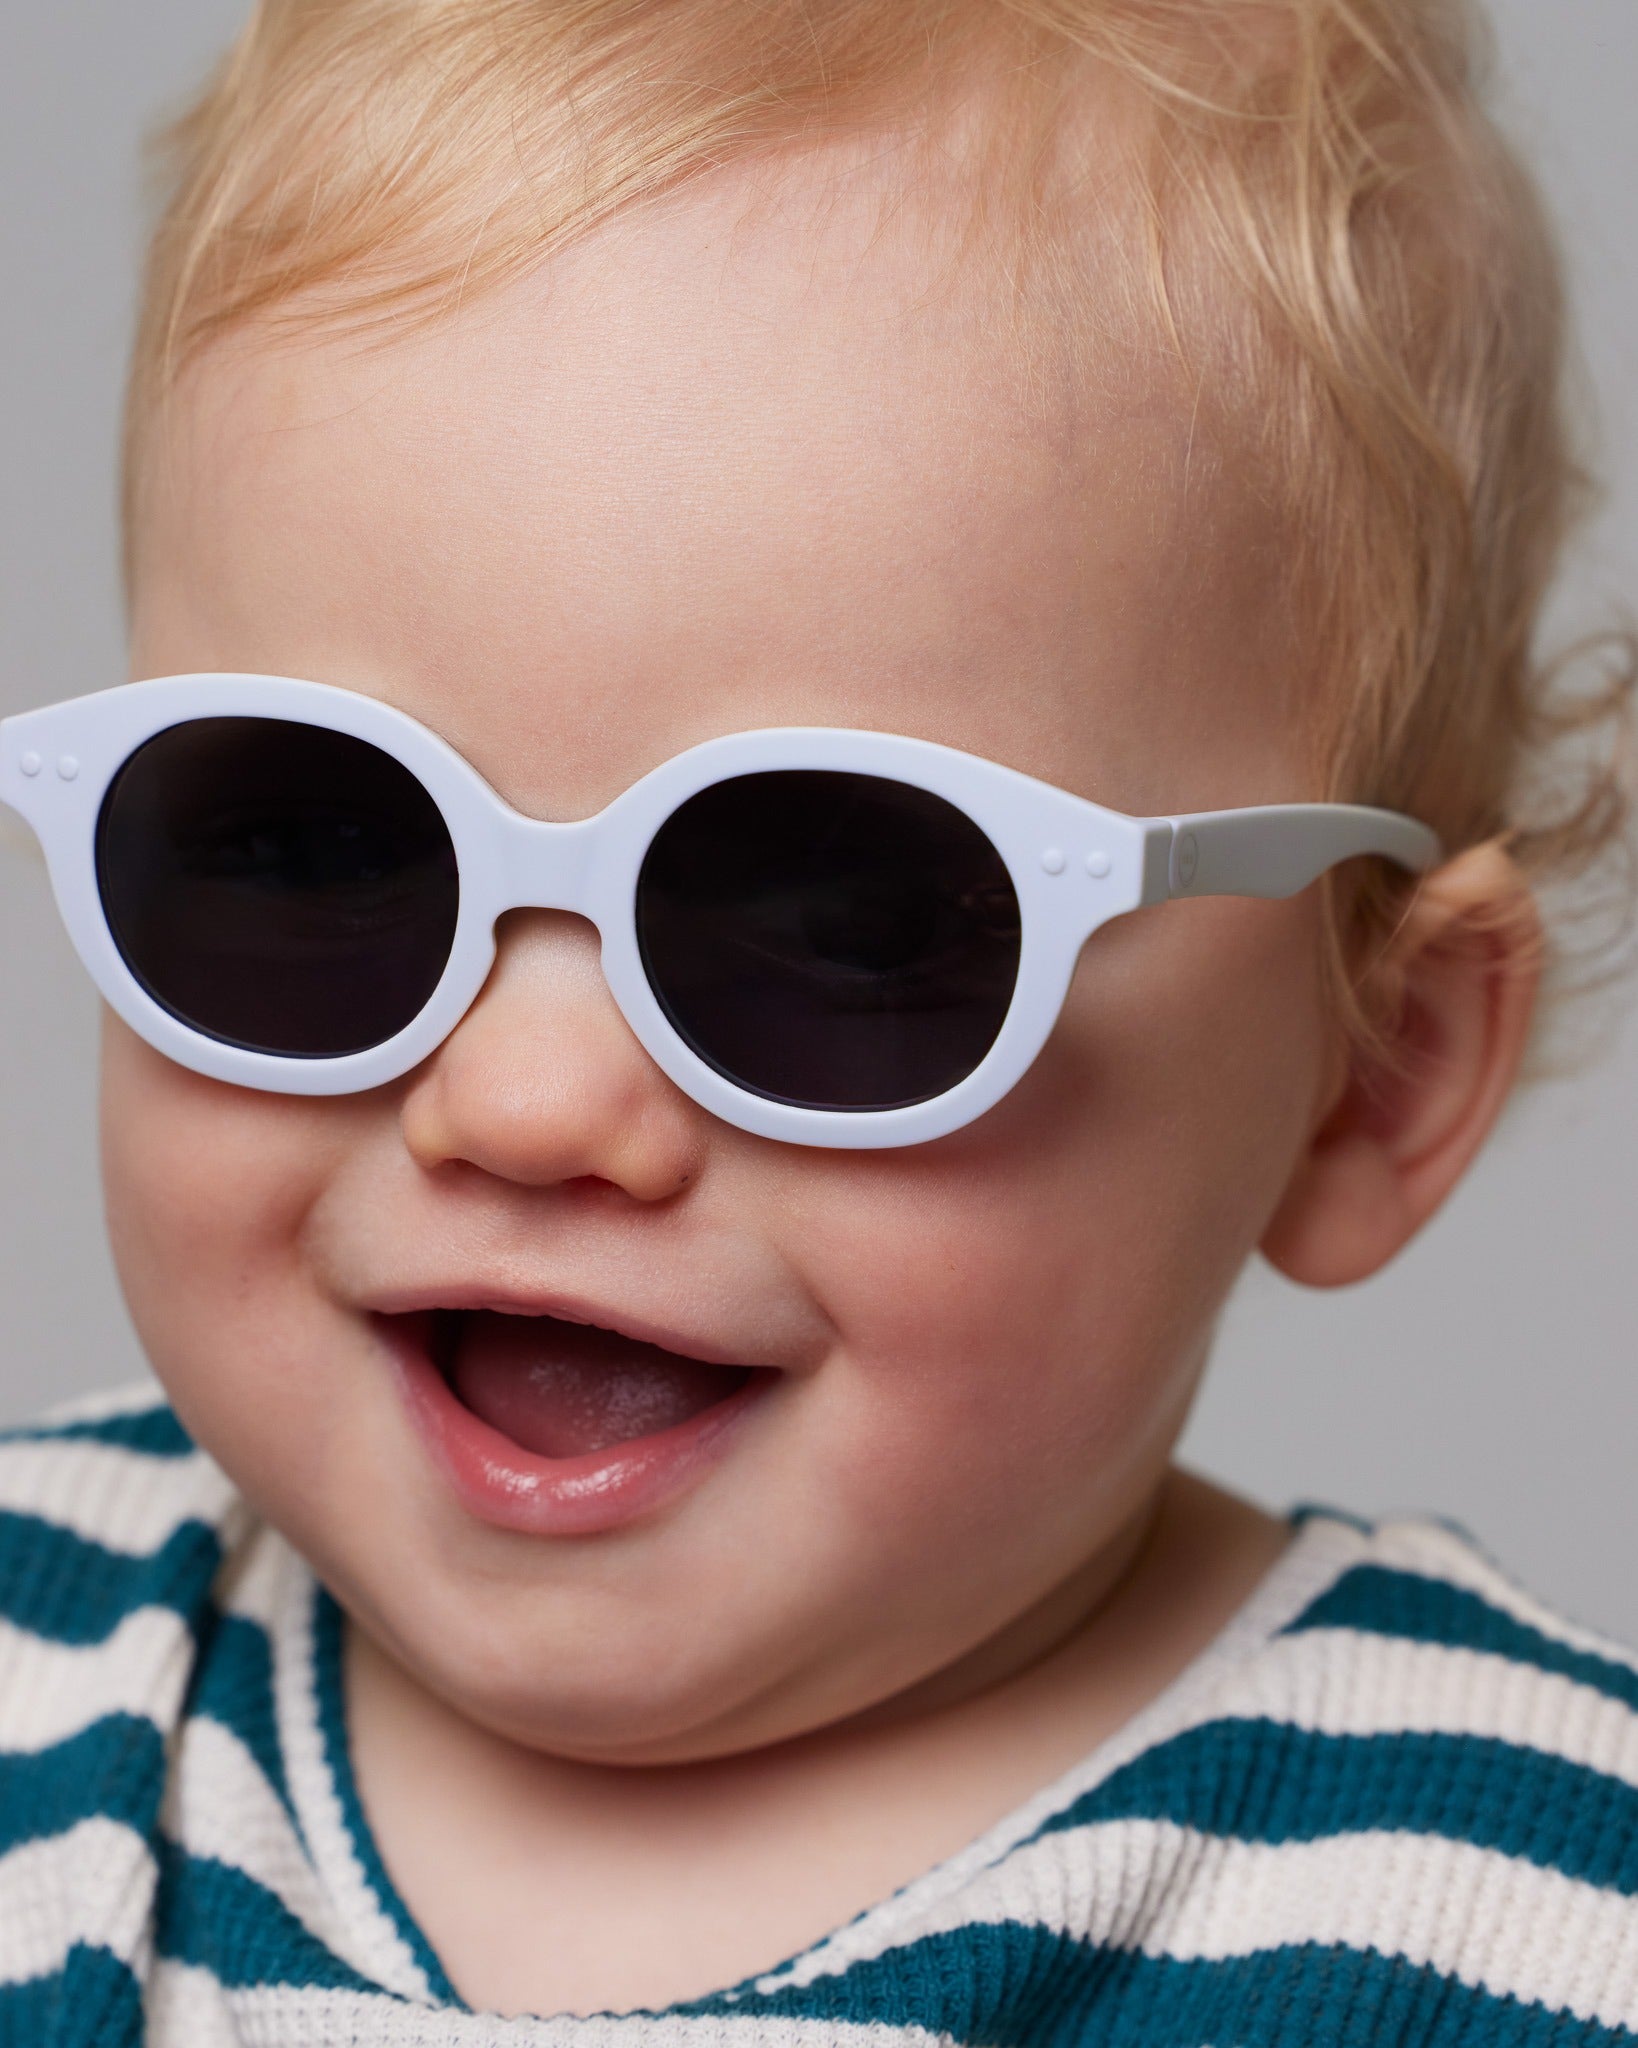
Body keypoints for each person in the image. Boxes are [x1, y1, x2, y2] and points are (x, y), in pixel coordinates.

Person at [3, 0, 1636, 2040]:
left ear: (1370, 1073)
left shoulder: (1534, 1933)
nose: (524, 1099)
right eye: (319, 842)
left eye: (846, 918)